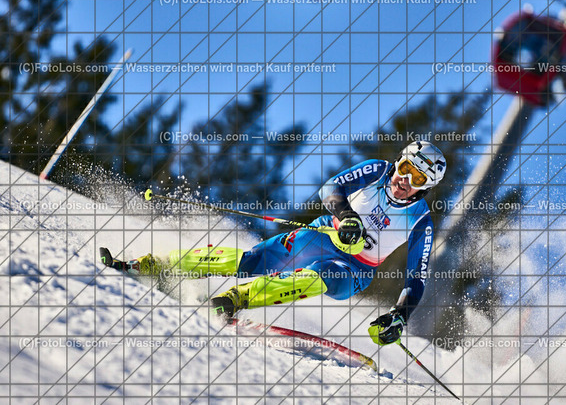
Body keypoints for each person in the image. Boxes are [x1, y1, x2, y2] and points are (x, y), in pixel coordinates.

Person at [101, 141, 446, 346]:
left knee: (318, 277)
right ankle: (152, 264)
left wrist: (399, 316)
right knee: (252, 261)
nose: (404, 178)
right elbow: (330, 187)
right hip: (324, 234)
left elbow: (416, 277)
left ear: (425, 186)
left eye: (416, 176)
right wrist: (346, 216)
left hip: (354, 269)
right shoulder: (378, 170)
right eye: (405, 166)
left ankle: (234, 299)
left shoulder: (420, 222)